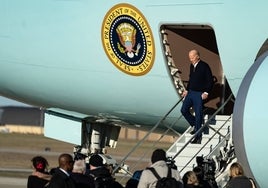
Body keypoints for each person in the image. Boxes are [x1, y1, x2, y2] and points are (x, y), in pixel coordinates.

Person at [181, 49, 213, 144]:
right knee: (183, 110)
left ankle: (198, 137)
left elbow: (210, 81)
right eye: (190, 57)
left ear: (197, 56)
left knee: (199, 114)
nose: (191, 59)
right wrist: (186, 90)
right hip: (191, 92)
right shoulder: (192, 65)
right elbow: (191, 79)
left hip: (199, 93)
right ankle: (195, 125)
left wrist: (206, 92)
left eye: (192, 57)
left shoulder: (204, 66)